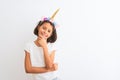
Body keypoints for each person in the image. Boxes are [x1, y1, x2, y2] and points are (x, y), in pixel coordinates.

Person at [24, 9, 60, 80]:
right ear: (38, 27)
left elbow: (48, 66)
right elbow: (28, 69)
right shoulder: (29, 46)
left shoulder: (52, 46)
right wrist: (50, 69)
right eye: (44, 28)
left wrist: (44, 46)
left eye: (49, 31)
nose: (45, 32)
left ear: (50, 34)